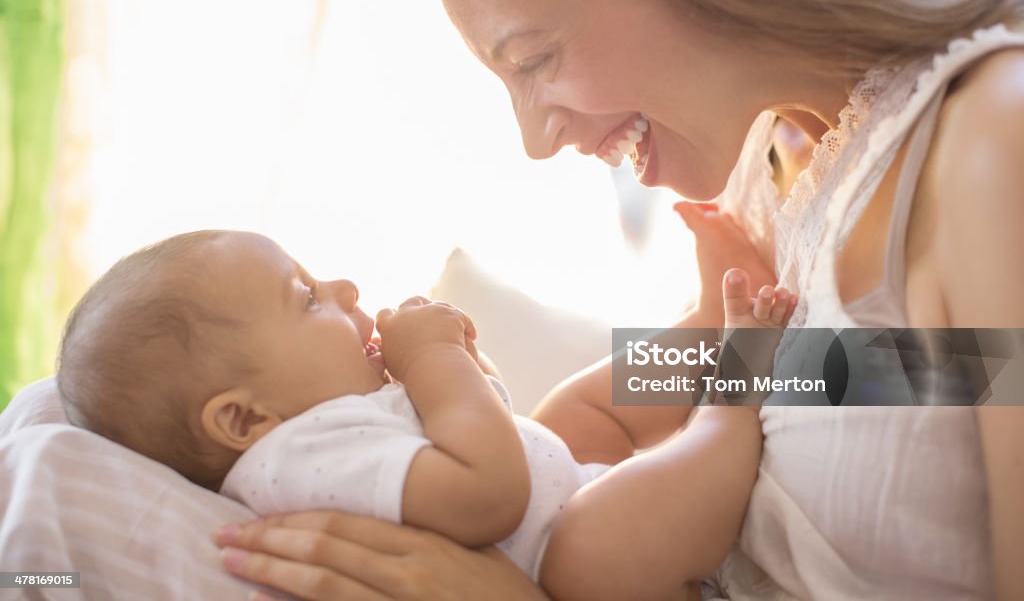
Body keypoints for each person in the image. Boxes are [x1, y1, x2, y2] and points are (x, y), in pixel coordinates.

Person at [211, 0, 1024, 599]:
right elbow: (827, 375)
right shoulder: (773, 167)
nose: (535, 139)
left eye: (534, 60)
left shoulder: (995, 144)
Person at [57, 229, 792, 601]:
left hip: (589, 515)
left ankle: (713, 341)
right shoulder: (300, 453)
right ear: (243, 419)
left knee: (570, 421)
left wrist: (463, 373)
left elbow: (894, 367)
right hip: (596, 560)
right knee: (585, 541)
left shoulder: (888, 351)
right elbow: (487, 490)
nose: (344, 288)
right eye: (308, 297)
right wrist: (439, 363)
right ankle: (734, 393)